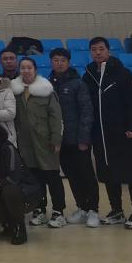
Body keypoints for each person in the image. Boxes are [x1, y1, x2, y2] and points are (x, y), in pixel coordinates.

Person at [83, 36, 132, 228]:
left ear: (108, 50)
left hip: (125, 134)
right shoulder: (88, 75)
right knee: (109, 174)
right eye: (94, 49)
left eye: (101, 48)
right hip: (101, 135)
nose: (98, 52)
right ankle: (117, 210)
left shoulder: (123, 73)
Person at [11, 58, 65, 228]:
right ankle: (39, 209)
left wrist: (56, 140)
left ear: (35, 70)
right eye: (23, 67)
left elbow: (56, 117)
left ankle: (58, 211)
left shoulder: (46, 90)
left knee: (52, 177)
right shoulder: (16, 91)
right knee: (35, 178)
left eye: (29, 67)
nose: (26, 71)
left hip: (45, 142)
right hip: (26, 144)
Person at [48, 48, 98, 227]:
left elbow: (87, 111)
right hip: (60, 142)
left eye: (63, 60)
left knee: (86, 175)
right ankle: (81, 207)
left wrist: (84, 139)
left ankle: (93, 210)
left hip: (78, 140)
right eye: (56, 60)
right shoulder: (47, 85)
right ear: (51, 62)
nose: (59, 63)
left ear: (68, 62)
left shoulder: (78, 83)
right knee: (72, 176)